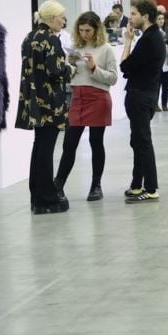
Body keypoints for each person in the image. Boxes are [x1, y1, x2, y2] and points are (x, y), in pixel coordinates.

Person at [16, 0, 72, 214]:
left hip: (33, 100)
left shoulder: (29, 37)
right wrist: (70, 69)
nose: (63, 20)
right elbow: (55, 70)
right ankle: (47, 198)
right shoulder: (51, 40)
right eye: (61, 17)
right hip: (50, 103)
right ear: (51, 18)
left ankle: (37, 196)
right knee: (46, 149)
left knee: (39, 146)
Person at [56, 11, 118, 202]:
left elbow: (113, 78)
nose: (84, 34)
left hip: (98, 97)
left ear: (96, 29)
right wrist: (70, 67)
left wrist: (93, 67)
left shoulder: (106, 48)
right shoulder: (74, 47)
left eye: (88, 30)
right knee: (69, 144)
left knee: (95, 142)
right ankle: (58, 185)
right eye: (81, 30)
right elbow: (70, 76)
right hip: (78, 97)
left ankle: (96, 186)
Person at [120, 0, 166, 203]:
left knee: (143, 141)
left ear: (145, 16)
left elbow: (125, 66)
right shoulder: (151, 36)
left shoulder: (149, 39)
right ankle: (137, 184)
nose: (130, 18)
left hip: (141, 95)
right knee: (137, 140)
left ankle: (151, 187)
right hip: (144, 93)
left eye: (133, 14)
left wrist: (128, 41)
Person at [155, 12, 168, 112]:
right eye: (159, 19)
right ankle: (155, 104)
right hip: (157, 63)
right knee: (157, 86)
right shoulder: (153, 32)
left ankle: (164, 104)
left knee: (165, 85)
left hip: (166, 62)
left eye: (162, 18)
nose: (161, 21)